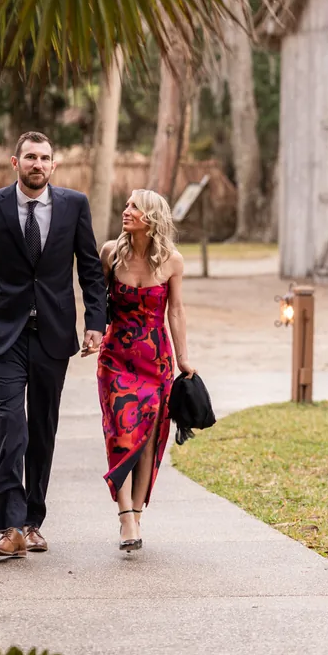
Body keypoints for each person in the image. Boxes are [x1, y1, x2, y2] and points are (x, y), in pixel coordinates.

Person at [0, 131, 106, 559]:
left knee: (42, 427)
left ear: (54, 165)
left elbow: (91, 272)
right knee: (12, 425)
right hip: (3, 335)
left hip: (53, 335)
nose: (37, 164)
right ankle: (9, 526)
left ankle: (33, 522)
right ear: (15, 162)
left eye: (44, 158)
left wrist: (95, 323)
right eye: (30, 157)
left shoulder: (74, 206)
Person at [98, 189, 194, 552]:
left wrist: (184, 357)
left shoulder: (172, 261)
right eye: (126, 204)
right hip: (115, 357)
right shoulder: (110, 253)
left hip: (155, 360)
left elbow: (176, 311)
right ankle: (125, 518)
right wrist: (91, 333)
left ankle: (137, 513)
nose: (126, 210)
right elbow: (96, 300)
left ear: (151, 216)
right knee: (120, 433)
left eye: (134, 206)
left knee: (149, 438)